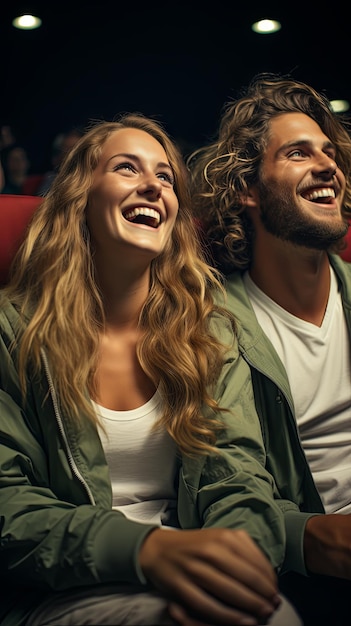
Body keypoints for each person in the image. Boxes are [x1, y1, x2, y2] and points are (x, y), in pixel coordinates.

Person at [0, 113, 302, 626]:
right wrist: (147, 551)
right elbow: (9, 505)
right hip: (64, 592)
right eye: (126, 168)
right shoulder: (13, 332)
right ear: (80, 197)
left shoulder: (207, 329)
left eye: (165, 177)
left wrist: (231, 563)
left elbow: (240, 477)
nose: (152, 186)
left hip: (196, 572)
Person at [188, 72, 351, 626]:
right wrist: (307, 537)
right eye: (299, 154)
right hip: (312, 572)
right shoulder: (213, 326)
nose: (329, 167)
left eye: (330, 154)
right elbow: (231, 480)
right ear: (248, 189)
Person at [35, 126, 85, 195]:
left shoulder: (92, 180)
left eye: (77, 150)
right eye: (68, 150)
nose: (73, 155)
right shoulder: (51, 179)